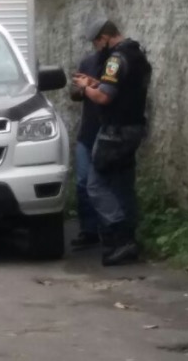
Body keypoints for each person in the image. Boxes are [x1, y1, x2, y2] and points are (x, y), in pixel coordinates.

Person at [72, 18, 151, 267]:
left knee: (95, 185)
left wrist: (86, 88)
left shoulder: (115, 59)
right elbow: (122, 89)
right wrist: (97, 83)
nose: (97, 49)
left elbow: (105, 98)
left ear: (104, 38)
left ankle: (119, 235)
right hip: (134, 127)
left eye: (98, 43)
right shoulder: (136, 53)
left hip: (115, 132)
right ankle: (130, 239)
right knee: (123, 183)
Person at [68, 49, 103, 248]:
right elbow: (74, 95)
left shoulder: (113, 64)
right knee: (82, 183)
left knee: (103, 184)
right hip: (87, 133)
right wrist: (82, 87)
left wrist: (93, 84)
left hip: (107, 132)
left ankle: (109, 229)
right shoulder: (88, 62)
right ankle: (88, 230)